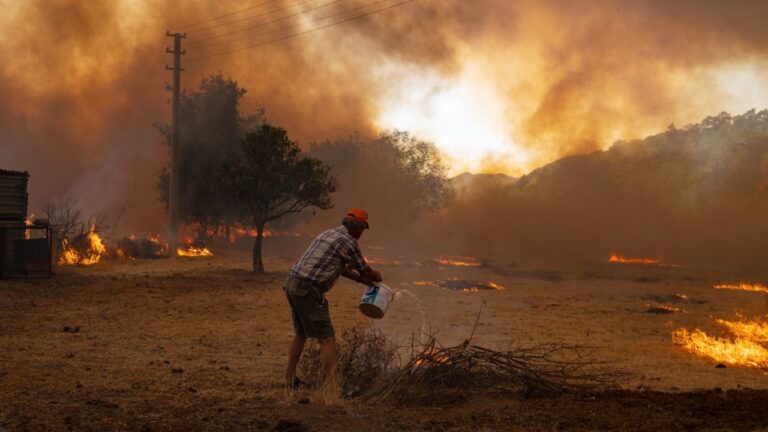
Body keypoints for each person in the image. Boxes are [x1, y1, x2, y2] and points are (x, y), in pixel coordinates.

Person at [284, 208, 383, 389]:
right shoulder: (349, 241)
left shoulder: (328, 233)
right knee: (327, 338)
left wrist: (360, 280)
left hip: (293, 283)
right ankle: (332, 387)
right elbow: (365, 270)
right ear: (358, 227)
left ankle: (289, 380)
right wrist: (375, 276)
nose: (362, 233)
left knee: (301, 334)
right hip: (308, 289)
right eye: (363, 229)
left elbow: (341, 268)